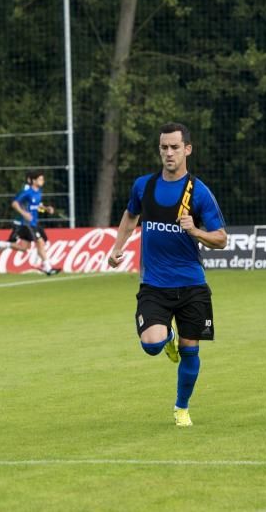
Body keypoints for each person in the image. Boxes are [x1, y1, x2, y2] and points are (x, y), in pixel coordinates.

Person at [107, 122, 228, 428]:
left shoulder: (198, 192)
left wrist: (195, 230)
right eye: (164, 147)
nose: (169, 153)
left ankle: (181, 408)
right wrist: (117, 247)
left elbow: (221, 239)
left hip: (191, 285)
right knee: (151, 344)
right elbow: (130, 214)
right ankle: (167, 336)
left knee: (191, 351)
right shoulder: (143, 186)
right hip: (154, 285)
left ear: (187, 149)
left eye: (175, 147)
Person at [0, 170, 62, 275]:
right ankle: (47, 267)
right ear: (33, 180)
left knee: (24, 248)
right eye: (40, 179)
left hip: (33, 223)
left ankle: (0, 243)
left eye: (43, 179)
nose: (42, 181)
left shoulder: (39, 192)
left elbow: (36, 206)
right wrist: (24, 213)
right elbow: (14, 203)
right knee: (40, 242)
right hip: (26, 224)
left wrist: (46, 208)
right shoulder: (27, 192)